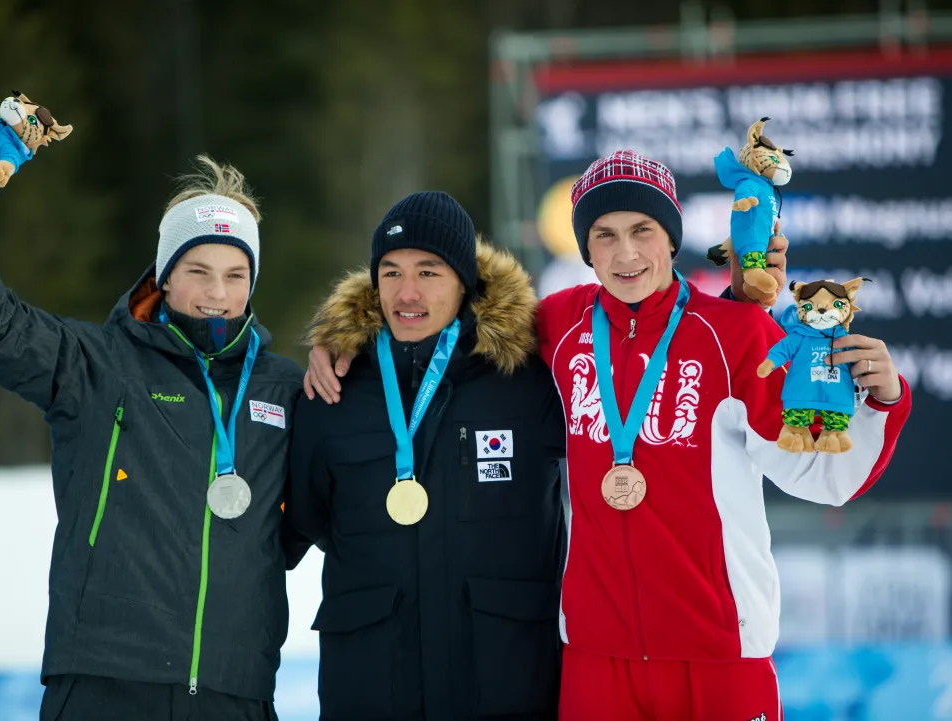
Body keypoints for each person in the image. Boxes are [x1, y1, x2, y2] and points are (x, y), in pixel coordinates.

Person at [0, 126, 301, 720]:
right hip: (106, 683)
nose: (217, 294)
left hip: (237, 690)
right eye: (198, 270)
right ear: (164, 274)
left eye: (235, 274)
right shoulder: (97, 365)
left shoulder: (286, 389)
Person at [532, 150, 910, 720]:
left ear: (672, 237)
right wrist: (349, 340)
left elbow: (821, 473)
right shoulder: (554, 327)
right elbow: (448, 336)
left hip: (719, 655)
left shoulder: (734, 335)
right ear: (585, 248)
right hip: (596, 657)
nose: (626, 253)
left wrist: (881, 400)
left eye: (643, 230)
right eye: (604, 235)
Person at [283, 191, 568, 720]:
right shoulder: (334, 390)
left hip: (504, 683)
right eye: (390, 273)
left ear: (465, 281)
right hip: (372, 686)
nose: (406, 293)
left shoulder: (531, 376)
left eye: (429, 272)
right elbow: (305, 519)